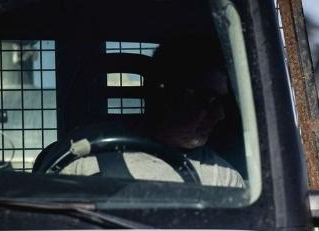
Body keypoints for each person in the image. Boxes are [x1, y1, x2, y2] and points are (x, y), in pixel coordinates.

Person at [62, 39, 245, 188]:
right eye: (207, 99)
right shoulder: (84, 164)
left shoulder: (223, 180)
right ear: (166, 94)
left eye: (222, 102)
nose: (220, 115)